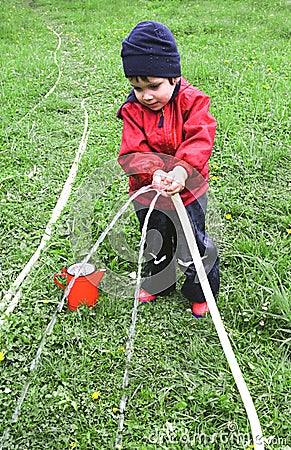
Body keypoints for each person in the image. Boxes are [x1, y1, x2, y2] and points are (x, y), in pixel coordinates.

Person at [116, 20, 219, 318]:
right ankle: (159, 282)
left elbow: (200, 138)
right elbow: (131, 153)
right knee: (155, 239)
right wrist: (153, 173)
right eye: (137, 87)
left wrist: (181, 171)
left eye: (153, 86)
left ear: (174, 77)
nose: (146, 95)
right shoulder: (133, 111)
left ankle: (200, 291)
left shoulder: (193, 101)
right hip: (148, 193)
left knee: (192, 243)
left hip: (189, 191)